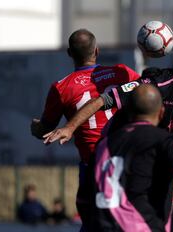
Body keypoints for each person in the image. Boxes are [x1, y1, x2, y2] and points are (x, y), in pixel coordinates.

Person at [42, 38, 173, 231]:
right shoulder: (156, 84)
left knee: (169, 208)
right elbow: (103, 100)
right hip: (119, 149)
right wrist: (69, 128)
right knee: (103, 217)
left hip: (152, 151)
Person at [30, 28, 140, 231]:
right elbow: (145, 98)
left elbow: (46, 128)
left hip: (93, 164)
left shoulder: (61, 87)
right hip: (129, 160)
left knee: (93, 223)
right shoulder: (121, 72)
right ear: (97, 51)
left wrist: (35, 127)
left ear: (70, 54)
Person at [90, 84, 173, 232]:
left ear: (127, 113)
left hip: (102, 225)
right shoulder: (168, 141)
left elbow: (85, 194)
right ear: (161, 113)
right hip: (142, 225)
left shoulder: (104, 145)